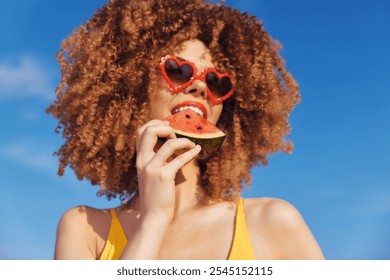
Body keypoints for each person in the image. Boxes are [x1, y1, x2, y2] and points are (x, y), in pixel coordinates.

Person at [48, 0, 324, 260]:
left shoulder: (273, 222)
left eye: (217, 82)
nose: (201, 87)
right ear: (130, 87)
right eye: (178, 70)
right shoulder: (85, 229)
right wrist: (153, 220)